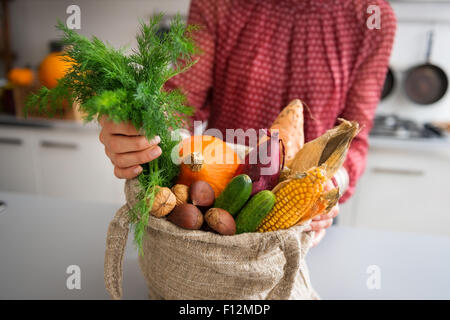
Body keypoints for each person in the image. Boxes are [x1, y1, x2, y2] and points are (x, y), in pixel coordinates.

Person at [99, 0, 396, 246]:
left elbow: (354, 138)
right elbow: (180, 102)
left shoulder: (371, 18)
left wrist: (327, 190)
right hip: (217, 201)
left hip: (307, 218)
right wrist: (146, 132)